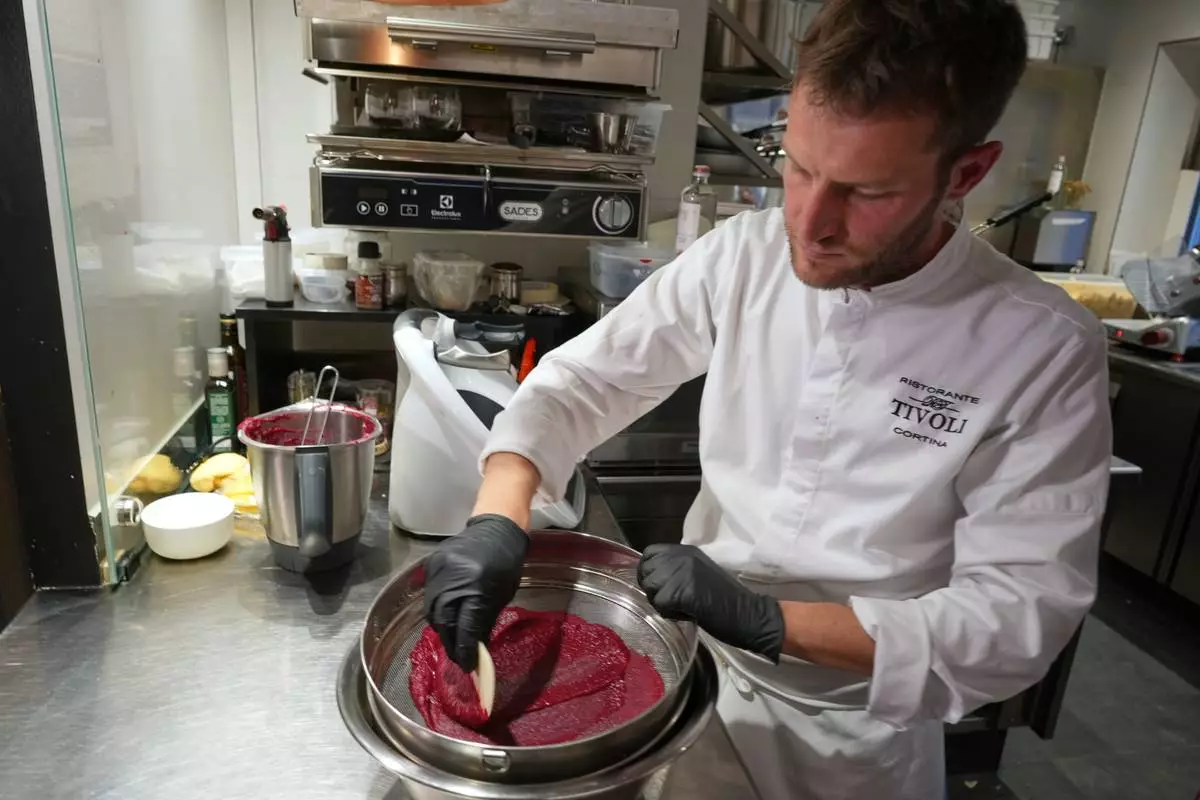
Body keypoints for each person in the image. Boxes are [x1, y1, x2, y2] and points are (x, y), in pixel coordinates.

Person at [421, 0, 1112, 796]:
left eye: (866, 191)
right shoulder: (743, 257)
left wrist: (771, 621)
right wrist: (498, 514)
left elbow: (1016, 619)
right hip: (697, 685)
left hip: (858, 733)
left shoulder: (1041, 346)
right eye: (799, 165)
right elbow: (585, 381)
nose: (810, 223)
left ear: (964, 174)